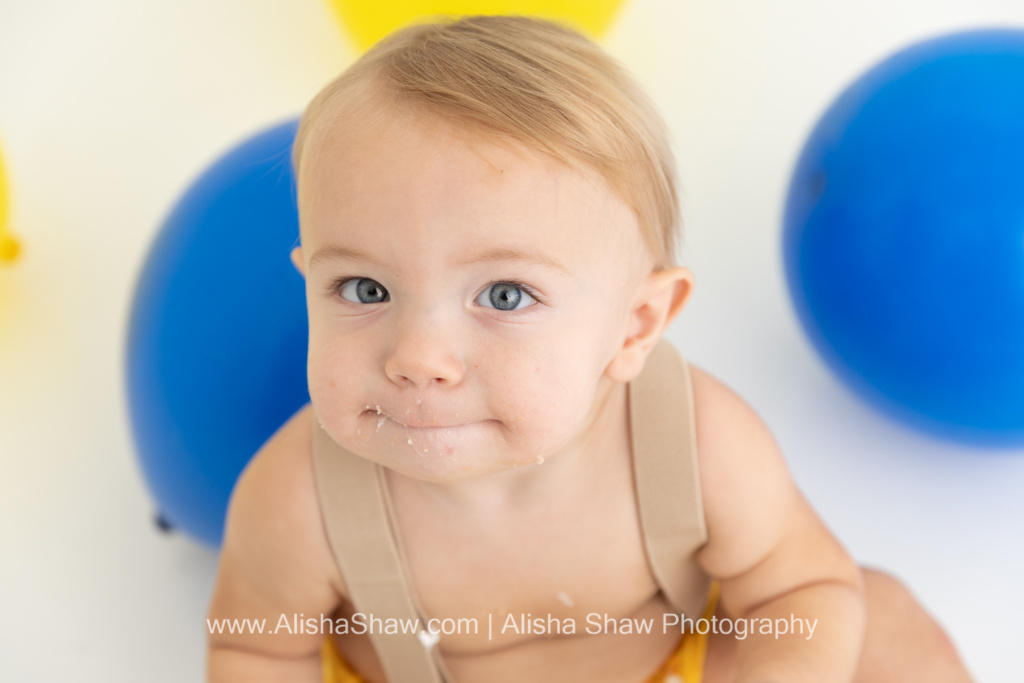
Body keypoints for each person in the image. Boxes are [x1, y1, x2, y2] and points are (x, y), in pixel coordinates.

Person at [206, 16, 973, 683]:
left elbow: (795, 591)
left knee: (883, 618)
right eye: (364, 289)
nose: (419, 356)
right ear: (309, 281)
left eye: (505, 296)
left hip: (668, 663)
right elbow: (258, 652)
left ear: (637, 325)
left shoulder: (699, 446)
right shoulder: (300, 499)